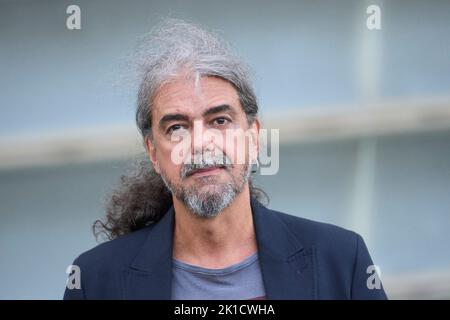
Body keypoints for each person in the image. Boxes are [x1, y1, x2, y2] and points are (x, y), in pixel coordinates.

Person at [64, 19, 387, 300]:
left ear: (253, 135)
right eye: (177, 127)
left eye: (220, 120)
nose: (201, 142)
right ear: (153, 152)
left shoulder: (342, 260)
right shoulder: (94, 282)